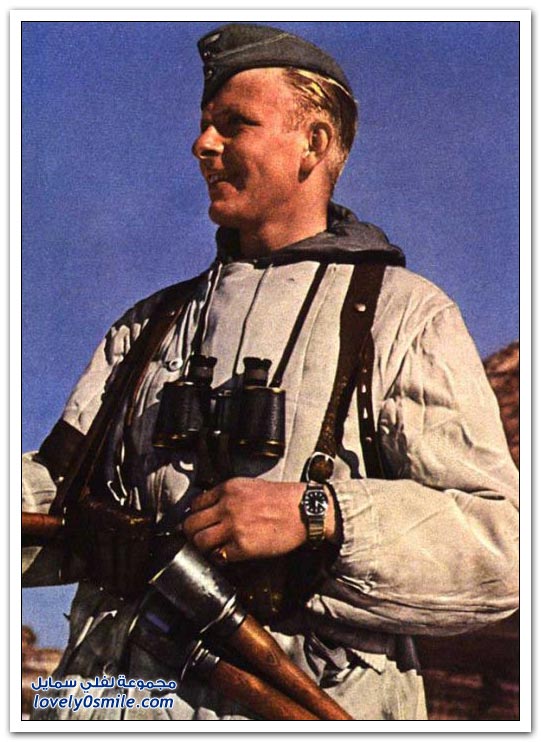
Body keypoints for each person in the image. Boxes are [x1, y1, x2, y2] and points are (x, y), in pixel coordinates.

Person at [22, 23, 519, 721]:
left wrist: (320, 515)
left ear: (312, 142)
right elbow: (51, 495)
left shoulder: (403, 314)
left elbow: (502, 551)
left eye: (234, 124)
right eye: (205, 125)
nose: (202, 145)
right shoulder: (146, 327)